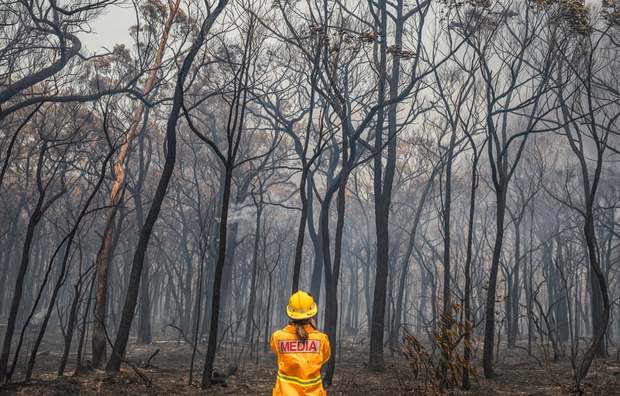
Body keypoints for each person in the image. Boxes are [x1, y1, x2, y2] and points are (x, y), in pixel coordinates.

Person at [270, 290, 331, 396]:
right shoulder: (322, 339)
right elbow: (324, 358)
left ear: (291, 314)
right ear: (311, 314)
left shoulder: (278, 337)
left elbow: (275, 350)